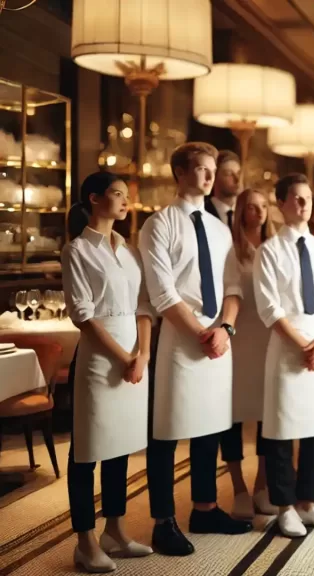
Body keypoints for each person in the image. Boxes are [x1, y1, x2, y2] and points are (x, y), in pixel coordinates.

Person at [139, 142, 252, 556]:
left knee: (211, 427)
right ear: (180, 173)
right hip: (180, 339)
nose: (209, 176)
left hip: (219, 339)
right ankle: (162, 520)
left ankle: (204, 508)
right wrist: (202, 333)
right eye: (201, 169)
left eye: (212, 170)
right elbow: (162, 293)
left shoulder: (221, 228)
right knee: (166, 432)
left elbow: (234, 289)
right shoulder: (159, 224)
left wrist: (224, 328)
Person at [63, 172, 154, 572]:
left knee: (120, 446)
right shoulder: (77, 250)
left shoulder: (130, 250)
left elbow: (145, 306)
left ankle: (115, 530)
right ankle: (84, 541)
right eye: (117, 194)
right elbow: (83, 316)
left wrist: (143, 355)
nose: (125, 202)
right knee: (87, 450)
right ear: (93, 199)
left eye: (127, 196)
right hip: (101, 361)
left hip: (135, 358)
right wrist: (123, 357)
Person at [254, 173, 314, 537]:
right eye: (297, 198)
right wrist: (302, 345)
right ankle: (285, 504)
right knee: (280, 429)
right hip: (287, 345)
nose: (304, 205)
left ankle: (309, 501)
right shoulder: (269, 250)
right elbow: (269, 308)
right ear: (282, 203)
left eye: (308, 198)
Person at [220, 188, 277, 520]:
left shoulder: (274, 249)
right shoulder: (231, 251)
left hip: (269, 339)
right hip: (239, 342)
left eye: (264, 206)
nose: (259, 212)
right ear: (241, 211)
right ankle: (239, 488)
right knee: (234, 418)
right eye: (252, 207)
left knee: (268, 417)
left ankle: (262, 486)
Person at [205, 150, 242, 227]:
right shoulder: (203, 213)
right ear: (214, 178)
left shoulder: (246, 213)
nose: (237, 179)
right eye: (229, 174)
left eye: (239, 173)